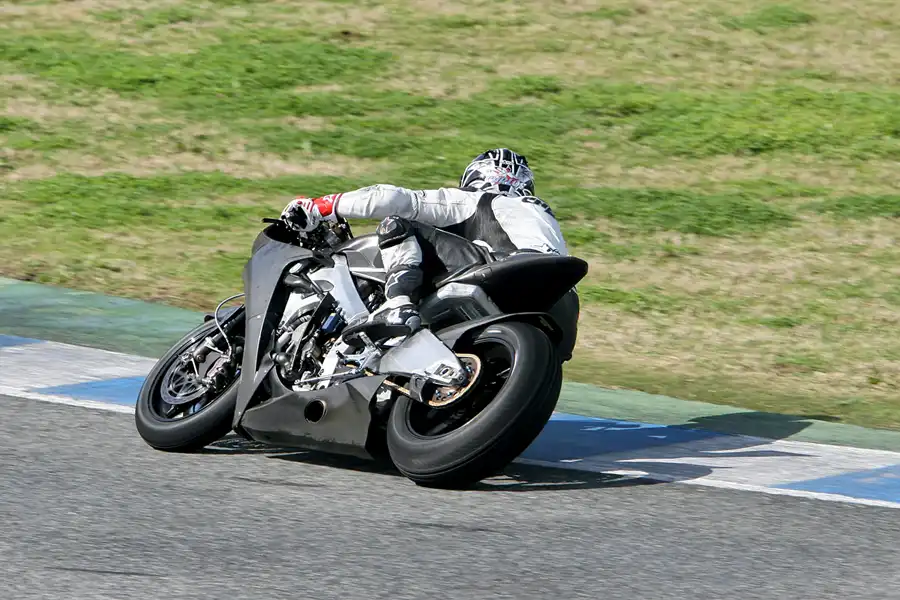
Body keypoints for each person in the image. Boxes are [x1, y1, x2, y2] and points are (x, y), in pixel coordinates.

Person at [281, 148, 579, 358]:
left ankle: (397, 303)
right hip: (562, 306)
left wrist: (322, 206)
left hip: (503, 269)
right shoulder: (544, 218)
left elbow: (396, 199)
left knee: (396, 224)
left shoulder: (480, 199)